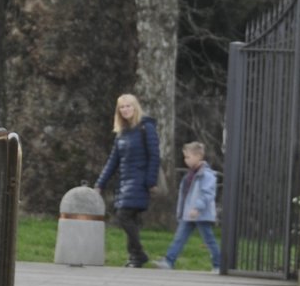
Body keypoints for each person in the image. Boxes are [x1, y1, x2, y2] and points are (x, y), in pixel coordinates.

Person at [95, 93, 159, 267]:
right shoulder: (121, 133)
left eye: (128, 106)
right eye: (121, 107)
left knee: (124, 215)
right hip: (125, 181)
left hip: (140, 180)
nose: (125, 110)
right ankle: (135, 257)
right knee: (131, 219)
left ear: (135, 107)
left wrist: (151, 181)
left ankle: (138, 253)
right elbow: (113, 161)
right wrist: (100, 183)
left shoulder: (146, 127)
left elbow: (154, 156)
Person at [156, 142, 222, 271]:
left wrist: (197, 208)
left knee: (209, 240)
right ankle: (169, 261)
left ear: (198, 156)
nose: (185, 160)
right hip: (189, 214)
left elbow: (207, 194)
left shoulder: (206, 175)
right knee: (179, 238)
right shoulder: (190, 175)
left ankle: (218, 264)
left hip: (201, 214)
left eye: (188, 157)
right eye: (185, 157)